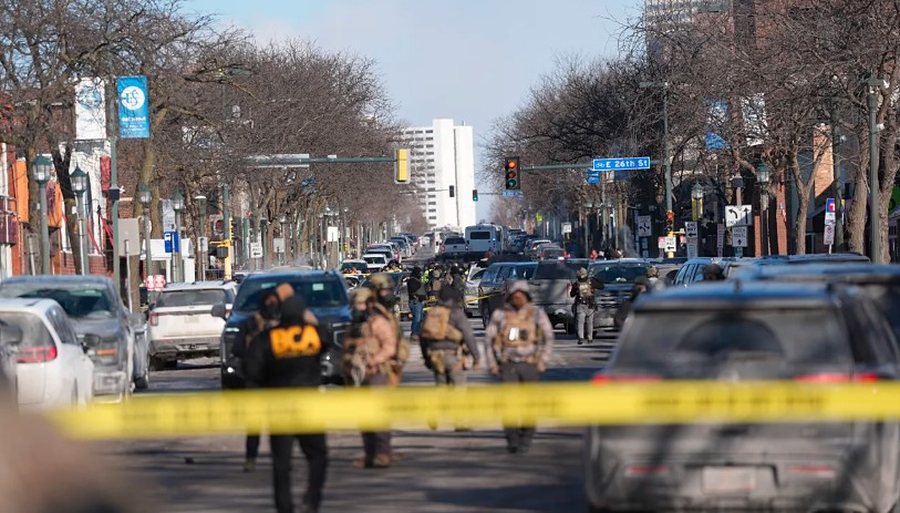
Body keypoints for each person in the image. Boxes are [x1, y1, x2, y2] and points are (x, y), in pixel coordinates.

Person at [244, 294, 328, 513]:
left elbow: (251, 369)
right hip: (310, 405)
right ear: (303, 313)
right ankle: (312, 499)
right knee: (317, 456)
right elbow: (328, 345)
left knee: (281, 463)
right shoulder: (314, 334)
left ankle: (285, 507)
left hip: (279, 406)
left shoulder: (267, 337)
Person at [484, 281, 555, 454]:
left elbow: (548, 337)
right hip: (508, 365)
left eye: (521, 294)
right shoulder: (500, 315)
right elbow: (489, 340)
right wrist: (493, 364)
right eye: (515, 294)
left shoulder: (536, 314)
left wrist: (542, 361)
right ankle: (512, 439)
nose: (518, 298)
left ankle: (525, 439)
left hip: (530, 364)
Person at [231, 283, 295, 472]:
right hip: (257, 381)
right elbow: (237, 348)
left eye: (275, 301)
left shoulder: (286, 324)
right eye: (269, 301)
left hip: (279, 382)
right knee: (254, 426)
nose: (272, 304)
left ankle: (283, 460)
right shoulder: (251, 323)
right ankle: (251, 459)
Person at [343, 275, 403, 468]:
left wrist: (373, 360)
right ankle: (370, 454)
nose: (357, 308)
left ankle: (383, 453)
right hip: (359, 377)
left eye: (360, 304)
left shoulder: (378, 322)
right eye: (355, 305)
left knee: (379, 417)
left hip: (377, 372)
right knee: (364, 418)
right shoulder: (354, 327)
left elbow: (390, 346)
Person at [420, 286, 479, 386]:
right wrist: (476, 357)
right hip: (453, 355)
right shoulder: (456, 313)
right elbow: (468, 335)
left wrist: (427, 358)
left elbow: (423, 337)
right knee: (458, 392)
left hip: (435, 356)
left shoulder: (432, 313)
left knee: (441, 390)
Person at [570, 267, 603, 345]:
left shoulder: (577, 283)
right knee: (589, 322)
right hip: (590, 304)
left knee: (580, 322)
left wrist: (576, 290)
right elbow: (602, 286)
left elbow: (571, 295)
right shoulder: (591, 281)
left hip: (580, 304)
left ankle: (581, 337)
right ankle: (590, 338)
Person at [407, 267, 427, 341]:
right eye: (419, 273)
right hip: (415, 302)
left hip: (420, 302)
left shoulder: (417, 280)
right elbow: (413, 289)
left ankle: (417, 332)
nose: (420, 274)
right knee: (417, 318)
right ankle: (415, 333)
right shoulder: (412, 280)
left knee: (420, 319)